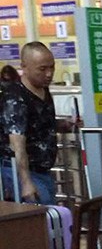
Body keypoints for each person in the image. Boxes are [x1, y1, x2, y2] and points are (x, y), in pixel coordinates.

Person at [0, 41, 75, 204]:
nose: (49, 74)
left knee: (50, 213)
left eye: (52, 67)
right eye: (42, 69)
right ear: (24, 67)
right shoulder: (15, 97)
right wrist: (26, 183)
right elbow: (17, 145)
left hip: (43, 170)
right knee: (42, 214)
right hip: (20, 171)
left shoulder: (43, 90)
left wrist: (63, 124)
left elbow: (39, 124)